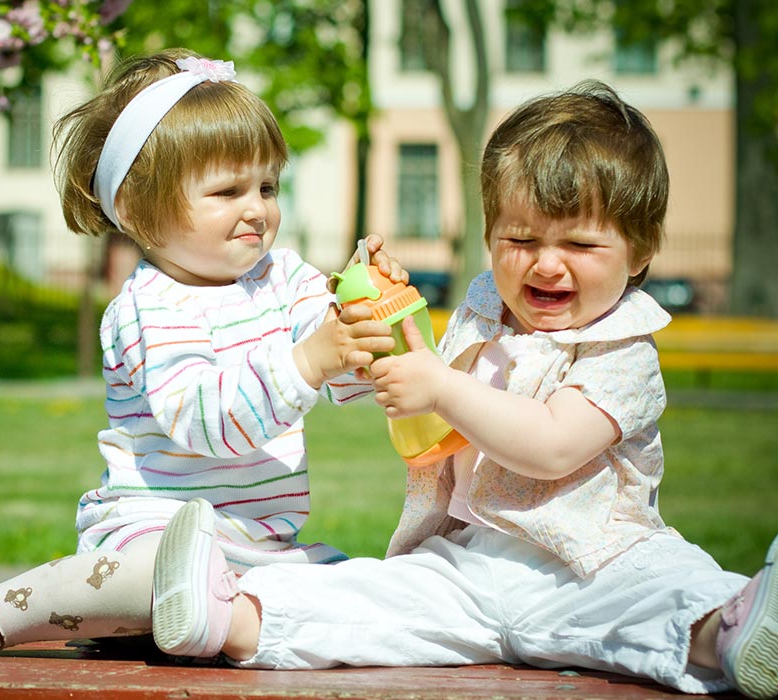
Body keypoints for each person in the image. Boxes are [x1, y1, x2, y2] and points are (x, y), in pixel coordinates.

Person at [148, 80, 778, 699]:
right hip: (466, 564)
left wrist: (441, 388)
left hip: (595, 565)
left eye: (580, 244)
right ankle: (225, 618)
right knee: (366, 597)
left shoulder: (624, 349)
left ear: (640, 252)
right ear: (489, 235)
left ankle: (733, 632)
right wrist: (380, 310)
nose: (547, 263)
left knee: (665, 592)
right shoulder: (482, 316)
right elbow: (420, 413)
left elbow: (554, 445)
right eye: (521, 239)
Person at [0, 48, 405, 661]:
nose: (257, 207)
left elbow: (341, 381)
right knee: (138, 573)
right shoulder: (148, 307)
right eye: (227, 190)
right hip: (154, 526)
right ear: (142, 210)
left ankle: (190, 620)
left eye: (268, 185)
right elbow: (202, 421)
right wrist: (311, 360)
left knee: (361, 583)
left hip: (261, 542)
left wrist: (362, 317)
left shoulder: (288, 278)